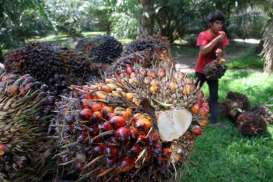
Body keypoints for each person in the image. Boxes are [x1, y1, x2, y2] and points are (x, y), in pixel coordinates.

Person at [195, 10, 229, 124]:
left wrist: (220, 54)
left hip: (213, 71)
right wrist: (216, 40)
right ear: (211, 24)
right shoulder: (203, 35)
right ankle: (189, 116)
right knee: (193, 93)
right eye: (217, 23)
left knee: (214, 96)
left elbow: (223, 53)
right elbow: (203, 50)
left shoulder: (222, 36)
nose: (220, 26)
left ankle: (214, 120)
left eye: (221, 23)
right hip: (200, 70)